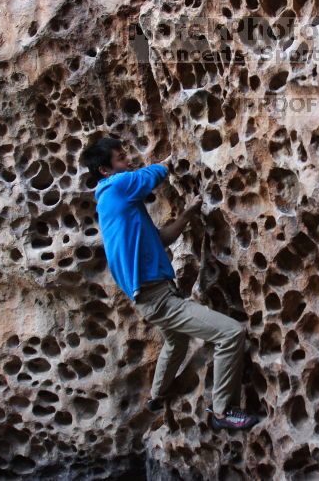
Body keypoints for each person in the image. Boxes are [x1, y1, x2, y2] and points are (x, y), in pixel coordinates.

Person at [80, 137, 259, 431]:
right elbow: (149, 176)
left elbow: (161, 240)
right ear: (104, 170)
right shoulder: (115, 187)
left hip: (153, 295)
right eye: (121, 158)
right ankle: (223, 412)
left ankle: (157, 395)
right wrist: (171, 160)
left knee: (176, 341)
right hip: (158, 299)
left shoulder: (121, 207)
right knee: (231, 333)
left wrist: (187, 216)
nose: (128, 162)